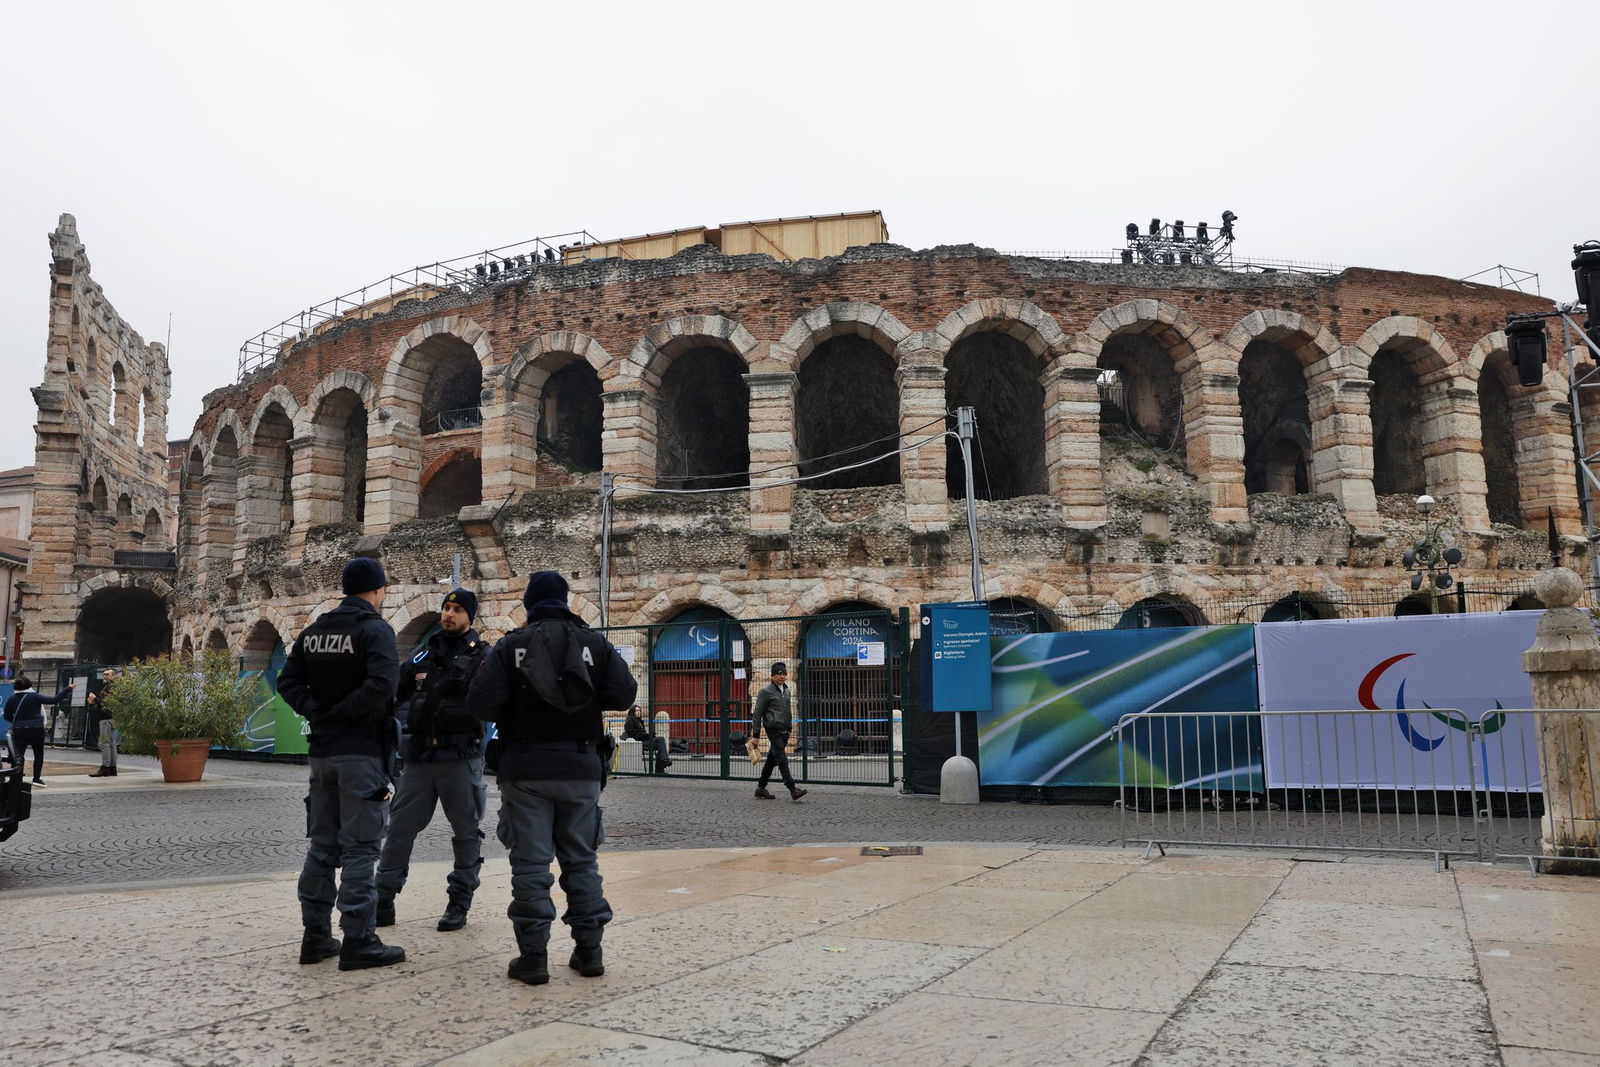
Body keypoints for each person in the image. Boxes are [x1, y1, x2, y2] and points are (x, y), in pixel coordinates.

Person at [467, 570, 637, 986]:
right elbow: (624, 694)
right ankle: (590, 951)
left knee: (530, 865)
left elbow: (480, 703)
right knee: (582, 860)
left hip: (525, 768)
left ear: (530, 603)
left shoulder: (510, 646)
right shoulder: (594, 643)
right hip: (580, 767)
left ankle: (533, 957)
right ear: (565, 600)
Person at [277, 556, 406, 971]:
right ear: (378, 589)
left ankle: (315, 937)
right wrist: (345, 713)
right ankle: (359, 939)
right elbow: (383, 685)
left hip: (322, 753)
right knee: (361, 849)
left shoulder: (315, 631)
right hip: (361, 751)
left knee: (322, 846)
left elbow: (287, 681)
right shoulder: (375, 630)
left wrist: (316, 710)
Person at [376, 587, 490, 933]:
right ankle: (383, 899)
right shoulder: (423, 654)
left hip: (460, 758)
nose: (449, 614)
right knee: (399, 830)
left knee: (466, 832)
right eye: (446, 608)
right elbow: (395, 695)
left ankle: (459, 902)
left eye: (457, 610)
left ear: (469, 617)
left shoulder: (482, 655)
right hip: (420, 759)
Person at [751, 662, 807, 801]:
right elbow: (757, 714)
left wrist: (789, 728)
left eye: (784, 674)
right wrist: (755, 735)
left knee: (772, 760)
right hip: (773, 729)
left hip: (784, 730)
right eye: (778, 674)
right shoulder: (765, 691)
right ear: (772, 676)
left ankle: (760, 788)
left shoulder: (787, 690)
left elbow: (787, 710)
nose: (781, 676)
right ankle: (793, 789)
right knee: (782, 759)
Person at [4, 678, 68, 786]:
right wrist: (68, 689)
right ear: (29, 685)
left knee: (18, 755)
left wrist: (19, 722)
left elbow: (6, 716)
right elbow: (54, 700)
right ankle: (36, 779)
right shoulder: (35, 696)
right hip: (36, 728)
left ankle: (16, 779)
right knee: (38, 753)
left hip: (19, 729)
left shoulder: (12, 699)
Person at [87, 667, 119, 777]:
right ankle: (112, 768)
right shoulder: (113, 687)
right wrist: (94, 702)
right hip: (112, 718)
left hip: (106, 719)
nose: (104, 676)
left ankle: (105, 768)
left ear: (114, 676)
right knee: (112, 744)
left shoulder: (111, 688)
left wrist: (95, 699)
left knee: (105, 744)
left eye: (107, 674)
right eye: (104, 674)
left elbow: (106, 705)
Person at [621, 704, 671, 774]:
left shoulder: (639, 721)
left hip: (645, 740)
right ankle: (661, 767)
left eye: (639, 710)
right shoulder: (630, 722)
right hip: (640, 743)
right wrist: (648, 736)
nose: (638, 712)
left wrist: (649, 735)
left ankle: (663, 760)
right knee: (661, 746)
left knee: (661, 739)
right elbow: (636, 736)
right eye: (636, 711)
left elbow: (642, 734)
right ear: (632, 712)